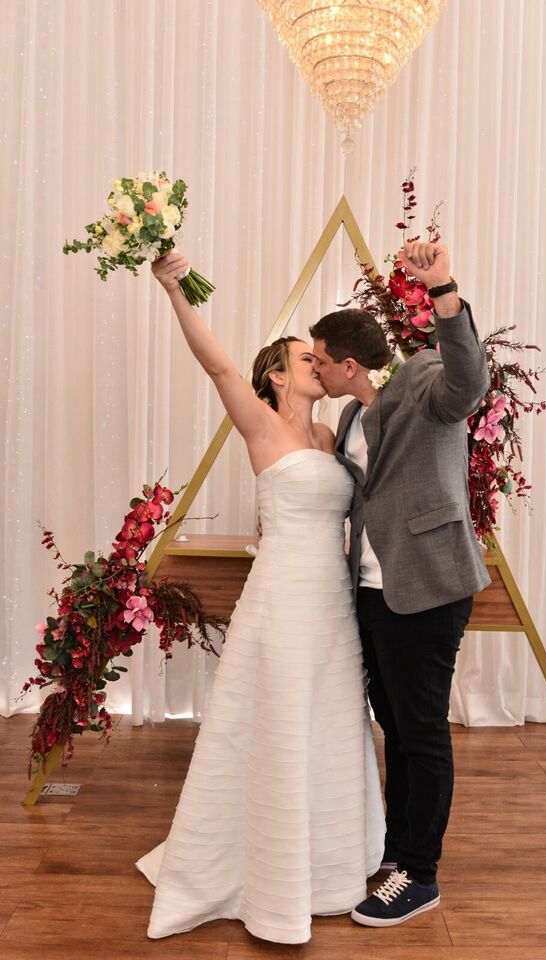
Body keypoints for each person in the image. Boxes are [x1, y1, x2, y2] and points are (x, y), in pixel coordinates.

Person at [136, 251, 385, 945]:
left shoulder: (331, 433)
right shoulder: (260, 424)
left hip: (331, 601)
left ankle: (331, 865)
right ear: (277, 375)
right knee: (277, 720)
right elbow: (217, 364)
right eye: (307, 359)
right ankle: (265, 875)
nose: (319, 365)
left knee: (330, 718)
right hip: (282, 596)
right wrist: (175, 290)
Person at [309, 238, 491, 928]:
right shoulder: (349, 416)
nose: (316, 370)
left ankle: (421, 874)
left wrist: (443, 289)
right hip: (372, 592)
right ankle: (398, 847)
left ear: (348, 364)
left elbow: (468, 382)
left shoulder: (421, 380)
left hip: (428, 586)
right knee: (394, 724)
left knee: (421, 730)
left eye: (320, 362)